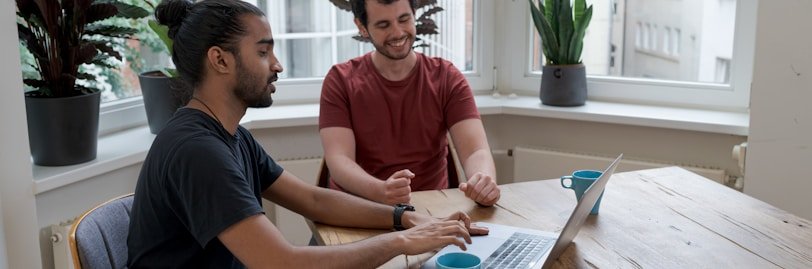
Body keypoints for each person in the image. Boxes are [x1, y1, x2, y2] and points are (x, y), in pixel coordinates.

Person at [127, 0, 488, 268]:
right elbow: (281, 262)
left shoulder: (230, 135)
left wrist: (403, 217)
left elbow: (313, 201)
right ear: (220, 60)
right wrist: (403, 241)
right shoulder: (197, 150)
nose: (278, 65)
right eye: (264, 52)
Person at [319, 0, 501, 207]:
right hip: (361, 208)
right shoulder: (340, 81)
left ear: (414, 15)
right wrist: (381, 191)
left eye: (404, 19)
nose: (398, 33)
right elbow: (339, 162)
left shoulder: (447, 77)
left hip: (432, 211)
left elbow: (475, 151)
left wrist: (483, 181)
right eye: (383, 25)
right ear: (362, 27)